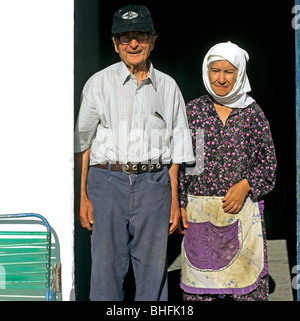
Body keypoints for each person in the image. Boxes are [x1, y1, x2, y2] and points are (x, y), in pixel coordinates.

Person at [74, 4, 194, 301]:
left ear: (152, 40)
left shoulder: (168, 87)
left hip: (154, 186)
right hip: (107, 183)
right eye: (124, 38)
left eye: (140, 35)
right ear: (115, 45)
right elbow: (83, 143)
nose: (133, 44)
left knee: (153, 274)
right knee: (105, 271)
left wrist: (174, 200)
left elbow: (179, 148)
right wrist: (83, 197)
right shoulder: (98, 84)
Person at [178, 41, 276, 301]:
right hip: (201, 217)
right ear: (206, 72)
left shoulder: (252, 114)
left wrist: (246, 186)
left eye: (229, 71)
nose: (221, 78)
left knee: (247, 290)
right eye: (215, 70)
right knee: (201, 291)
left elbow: (268, 165)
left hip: (242, 214)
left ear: (240, 73)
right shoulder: (193, 112)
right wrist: (181, 203)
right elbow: (183, 164)